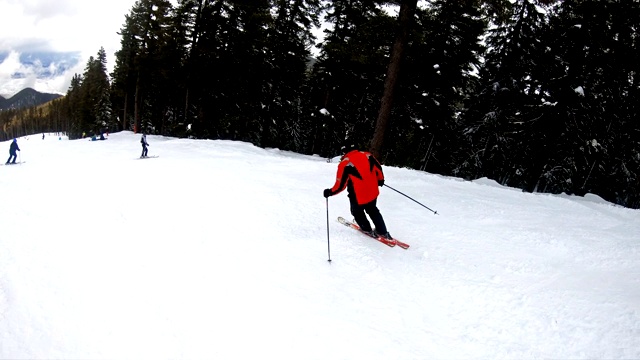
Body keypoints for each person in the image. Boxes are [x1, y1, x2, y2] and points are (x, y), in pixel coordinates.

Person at [323, 143, 392, 239]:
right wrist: (380, 180)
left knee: (357, 212)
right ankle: (382, 231)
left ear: (344, 151)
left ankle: (366, 229)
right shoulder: (367, 155)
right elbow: (378, 168)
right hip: (373, 191)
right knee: (373, 210)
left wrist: (330, 192)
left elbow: (340, 185)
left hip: (357, 195)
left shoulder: (345, 163)